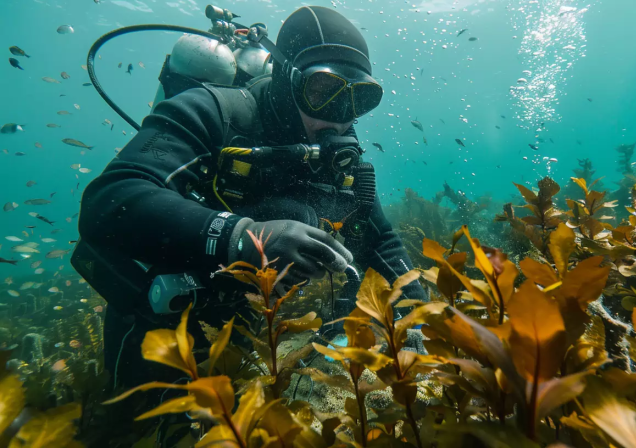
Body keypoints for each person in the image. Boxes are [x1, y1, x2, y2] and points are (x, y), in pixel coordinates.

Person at [77, 6, 425, 391]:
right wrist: (242, 236)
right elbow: (110, 200)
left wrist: (421, 318)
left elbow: (383, 242)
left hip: (243, 309)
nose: (341, 119)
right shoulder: (212, 112)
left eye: (359, 100)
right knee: (137, 419)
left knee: (237, 403)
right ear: (285, 78)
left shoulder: (339, 159)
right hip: (160, 304)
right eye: (323, 92)